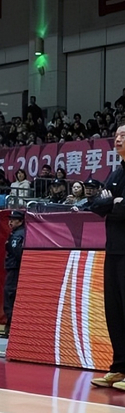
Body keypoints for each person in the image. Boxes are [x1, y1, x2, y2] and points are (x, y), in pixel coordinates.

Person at [89, 124, 125, 391]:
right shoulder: (115, 173)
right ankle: (119, 367)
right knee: (114, 312)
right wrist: (114, 203)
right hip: (112, 250)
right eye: (117, 135)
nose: (118, 138)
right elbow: (96, 205)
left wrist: (111, 204)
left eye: (124, 135)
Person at [3, 210, 26, 336]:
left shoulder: (18, 235)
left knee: (10, 295)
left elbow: (17, 253)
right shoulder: (17, 233)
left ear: (20, 221)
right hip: (15, 268)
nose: (10, 222)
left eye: (13, 219)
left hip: (15, 268)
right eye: (10, 219)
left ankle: (11, 326)